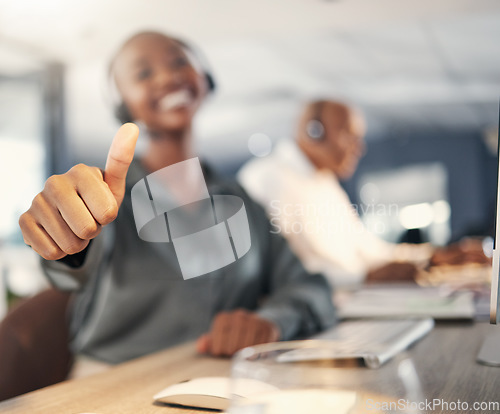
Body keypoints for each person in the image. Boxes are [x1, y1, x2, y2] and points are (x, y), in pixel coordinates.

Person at [17, 32, 335, 366]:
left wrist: (273, 320)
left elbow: (309, 286)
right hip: (114, 383)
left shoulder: (242, 202)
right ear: (123, 104)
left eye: (179, 62)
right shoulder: (108, 197)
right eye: (143, 73)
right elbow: (70, 267)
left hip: (221, 379)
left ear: (205, 79)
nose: (168, 77)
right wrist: (65, 235)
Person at [238, 100, 438, 286]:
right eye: (349, 136)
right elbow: (279, 269)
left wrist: (429, 256)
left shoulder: (325, 184)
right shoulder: (266, 178)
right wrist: (362, 277)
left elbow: (366, 248)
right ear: (313, 132)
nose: (359, 148)